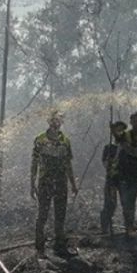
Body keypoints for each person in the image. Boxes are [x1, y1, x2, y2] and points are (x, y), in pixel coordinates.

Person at [31, 110, 78, 257]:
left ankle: (59, 245)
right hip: (45, 182)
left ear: (61, 123)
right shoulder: (40, 139)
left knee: (60, 214)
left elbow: (68, 164)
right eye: (53, 120)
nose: (56, 123)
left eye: (59, 120)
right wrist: (32, 183)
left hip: (61, 182)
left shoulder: (65, 141)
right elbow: (34, 163)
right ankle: (40, 247)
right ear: (49, 121)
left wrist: (73, 184)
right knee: (43, 214)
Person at [117, 111, 137, 233]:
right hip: (121, 174)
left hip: (135, 175)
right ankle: (128, 226)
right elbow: (117, 138)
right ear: (130, 121)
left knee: (131, 200)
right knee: (124, 201)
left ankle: (129, 227)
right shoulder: (124, 136)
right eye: (135, 121)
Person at [100, 121, 128, 235]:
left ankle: (128, 228)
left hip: (123, 180)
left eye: (122, 130)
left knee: (126, 204)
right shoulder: (108, 147)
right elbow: (105, 163)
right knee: (110, 204)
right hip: (111, 179)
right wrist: (109, 162)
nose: (119, 132)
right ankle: (105, 229)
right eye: (117, 130)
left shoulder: (126, 147)